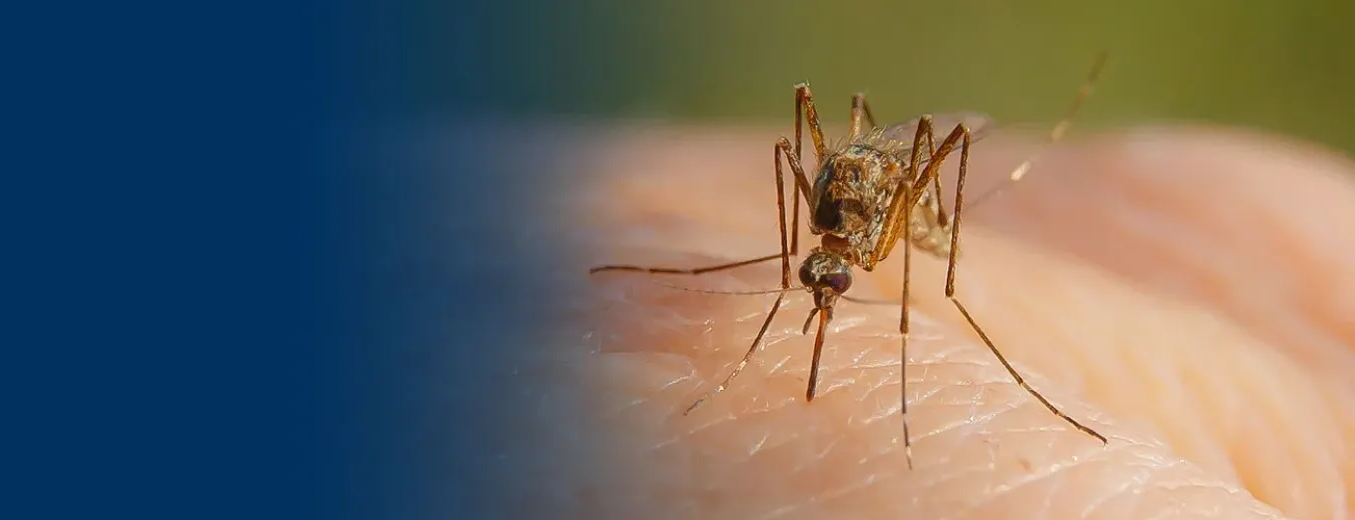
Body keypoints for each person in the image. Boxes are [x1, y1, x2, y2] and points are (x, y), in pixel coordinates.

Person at [574, 124, 1355, 519]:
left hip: (898, 211)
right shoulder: (823, 232)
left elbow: (902, 165)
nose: (828, 287)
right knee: (797, 131)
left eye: (822, 279)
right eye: (822, 279)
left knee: (913, 144)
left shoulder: (867, 231)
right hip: (860, 195)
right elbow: (812, 167)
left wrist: (917, 274)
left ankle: (941, 301)